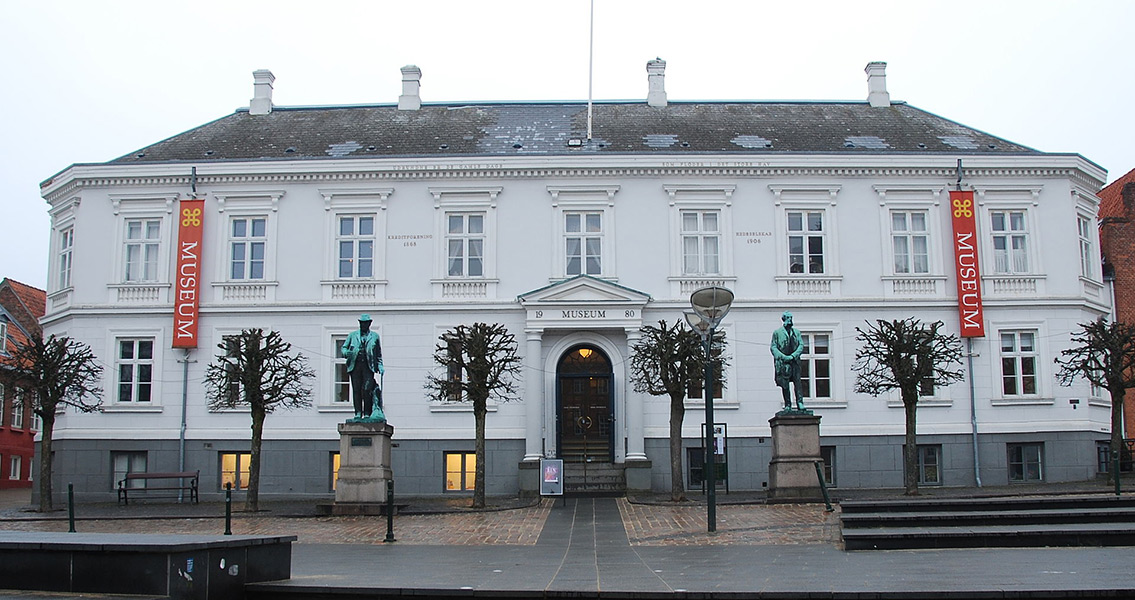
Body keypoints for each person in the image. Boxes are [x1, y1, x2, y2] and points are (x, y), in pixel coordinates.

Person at [341, 314, 385, 422]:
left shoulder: (374, 336)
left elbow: (378, 353)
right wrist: (347, 353)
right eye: (361, 323)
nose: (363, 325)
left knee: (367, 389)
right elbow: (343, 348)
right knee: (356, 389)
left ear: (369, 324)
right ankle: (358, 413)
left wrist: (380, 365)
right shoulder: (352, 335)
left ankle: (367, 414)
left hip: (368, 366)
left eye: (365, 323)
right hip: (355, 365)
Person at [770, 311, 806, 412]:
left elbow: (801, 345)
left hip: (795, 361)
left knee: (797, 382)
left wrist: (793, 356)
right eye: (788, 318)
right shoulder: (777, 333)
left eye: (791, 318)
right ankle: (788, 404)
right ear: (784, 319)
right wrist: (783, 357)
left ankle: (800, 402)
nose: (790, 320)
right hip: (783, 362)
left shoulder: (797, 332)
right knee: (785, 384)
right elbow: (773, 347)